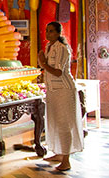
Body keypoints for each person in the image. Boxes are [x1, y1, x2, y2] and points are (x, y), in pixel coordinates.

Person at [38, 22, 83, 171]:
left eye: (51, 31)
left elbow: (58, 72)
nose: (48, 34)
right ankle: (58, 153)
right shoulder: (49, 47)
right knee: (54, 121)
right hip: (53, 90)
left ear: (58, 33)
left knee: (64, 124)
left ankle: (66, 160)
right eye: (47, 30)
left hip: (64, 89)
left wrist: (43, 63)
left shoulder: (62, 49)